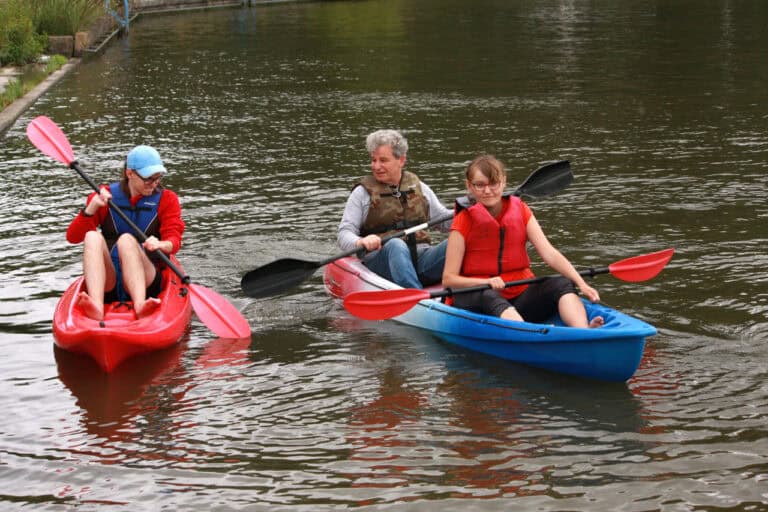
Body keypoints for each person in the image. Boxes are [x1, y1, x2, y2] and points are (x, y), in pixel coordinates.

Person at [442, 154, 604, 328]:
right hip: (477, 296)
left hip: (518, 293)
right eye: (480, 185)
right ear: (469, 186)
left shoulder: (520, 210)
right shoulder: (463, 220)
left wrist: (581, 283)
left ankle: (584, 331)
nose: (487, 191)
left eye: (493, 183)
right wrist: (485, 282)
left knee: (561, 283)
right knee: (489, 294)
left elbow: (549, 253)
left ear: (503, 182)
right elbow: (449, 279)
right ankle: (529, 334)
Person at [65, 145, 185, 321]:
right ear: (130, 173)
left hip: (147, 278)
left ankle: (140, 305)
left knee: (126, 240)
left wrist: (161, 244)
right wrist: (91, 208)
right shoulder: (105, 196)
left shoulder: (167, 199)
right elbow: (73, 238)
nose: (154, 184)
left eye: (158, 178)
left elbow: (174, 240)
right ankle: (97, 305)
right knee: (92, 236)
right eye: (149, 179)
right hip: (109, 280)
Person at [337, 129, 453, 289]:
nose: (376, 166)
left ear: (401, 160)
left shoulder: (419, 187)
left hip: (422, 258)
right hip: (382, 261)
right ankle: (415, 295)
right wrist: (360, 241)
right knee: (396, 245)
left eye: (383, 160)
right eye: (373, 160)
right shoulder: (362, 193)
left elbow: (444, 221)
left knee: (455, 242)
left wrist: (467, 211)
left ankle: (471, 289)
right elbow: (344, 234)